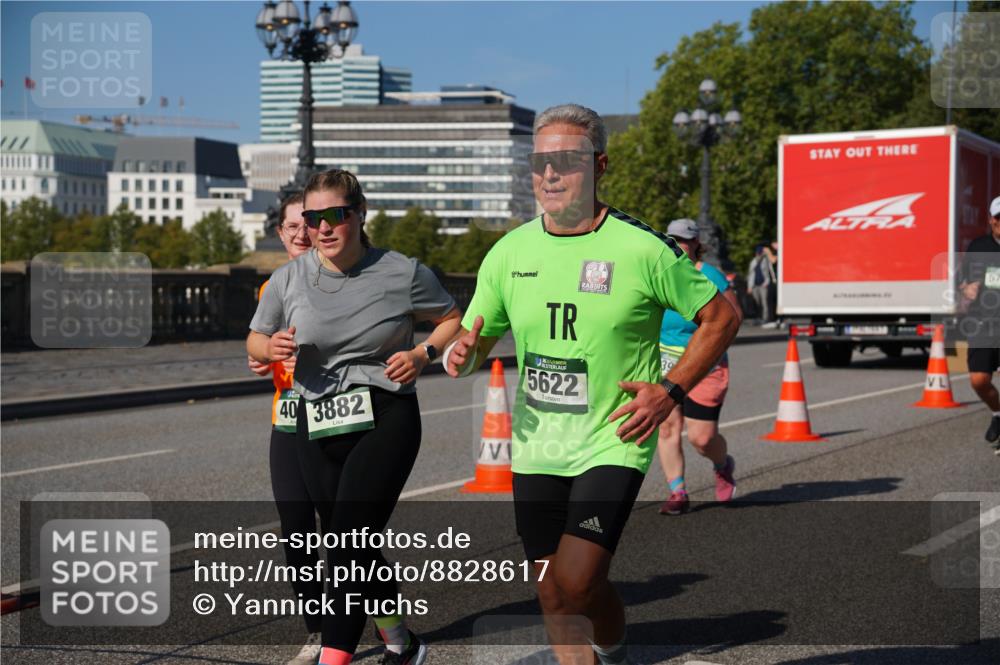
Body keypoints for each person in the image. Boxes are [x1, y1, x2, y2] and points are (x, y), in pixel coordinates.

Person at [444, 104, 740, 665]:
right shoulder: (509, 253)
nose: (550, 174)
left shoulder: (642, 249)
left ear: (599, 165)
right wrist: (462, 352)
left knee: (577, 581)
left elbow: (721, 319)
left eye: (567, 161)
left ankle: (613, 648)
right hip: (537, 445)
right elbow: (476, 337)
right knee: (551, 587)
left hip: (613, 438)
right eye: (540, 162)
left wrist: (670, 391)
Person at [248, 169, 462, 665]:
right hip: (315, 419)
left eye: (334, 216)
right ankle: (400, 641)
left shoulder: (402, 271)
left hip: (386, 413)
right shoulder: (287, 278)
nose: (322, 228)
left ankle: (334, 656)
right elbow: (255, 339)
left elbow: (452, 317)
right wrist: (270, 345)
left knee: (345, 542)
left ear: (359, 215)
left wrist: (424, 353)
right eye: (312, 217)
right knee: (347, 540)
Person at [247, 193, 330, 665]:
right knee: (296, 531)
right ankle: (318, 631)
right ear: (280, 233)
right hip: (289, 419)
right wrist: (263, 355)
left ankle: (387, 623)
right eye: (291, 226)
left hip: (340, 421)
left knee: (348, 532)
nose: (301, 233)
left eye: (309, 223)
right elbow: (260, 342)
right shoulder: (272, 286)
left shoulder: (346, 278)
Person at [657, 218, 743, 515]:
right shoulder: (661, 273)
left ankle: (722, 465)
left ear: (696, 244)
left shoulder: (711, 276)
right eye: (673, 240)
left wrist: (713, 352)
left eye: (684, 240)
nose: (678, 245)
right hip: (665, 361)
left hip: (705, 364)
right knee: (667, 427)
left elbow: (733, 318)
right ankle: (677, 491)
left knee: (701, 438)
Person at [959, 195, 1000, 453]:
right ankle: (998, 413)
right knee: (978, 381)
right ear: (991, 220)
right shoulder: (978, 247)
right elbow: (963, 282)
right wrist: (967, 290)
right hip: (984, 323)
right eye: (999, 218)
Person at [747, 244, 776, 324]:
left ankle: (765, 318)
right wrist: (749, 287)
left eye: (760, 253)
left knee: (764, 302)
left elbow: (771, 266)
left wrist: (767, 282)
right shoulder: (753, 262)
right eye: (758, 253)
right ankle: (759, 317)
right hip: (755, 285)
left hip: (764, 284)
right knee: (757, 302)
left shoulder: (766, 260)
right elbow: (751, 275)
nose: (759, 254)